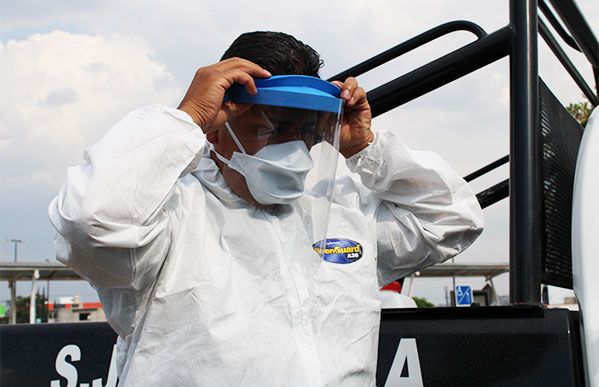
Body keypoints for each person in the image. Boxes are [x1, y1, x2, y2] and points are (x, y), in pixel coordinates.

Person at [49, 31, 483, 386]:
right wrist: (185, 119)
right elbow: (92, 226)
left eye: (307, 131)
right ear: (219, 130)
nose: (296, 148)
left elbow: (452, 220)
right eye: (272, 129)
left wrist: (366, 150)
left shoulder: (336, 207)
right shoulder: (170, 213)